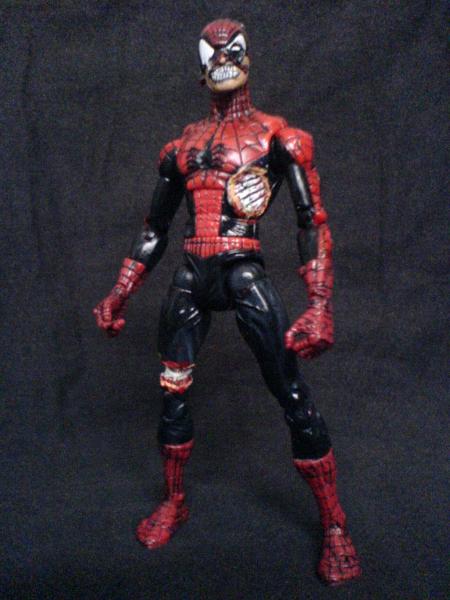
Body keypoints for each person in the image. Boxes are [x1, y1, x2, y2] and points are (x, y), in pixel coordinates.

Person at [94, 19, 361, 586]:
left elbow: (311, 222)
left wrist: (320, 302)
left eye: (231, 51)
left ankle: (335, 524)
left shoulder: (277, 137)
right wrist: (120, 292)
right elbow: (154, 227)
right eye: (211, 54)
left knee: (290, 389)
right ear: (200, 67)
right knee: (172, 391)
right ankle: (174, 502)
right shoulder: (181, 146)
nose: (222, 61)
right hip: (191, 274)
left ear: (247, 58)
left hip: (243, 272)